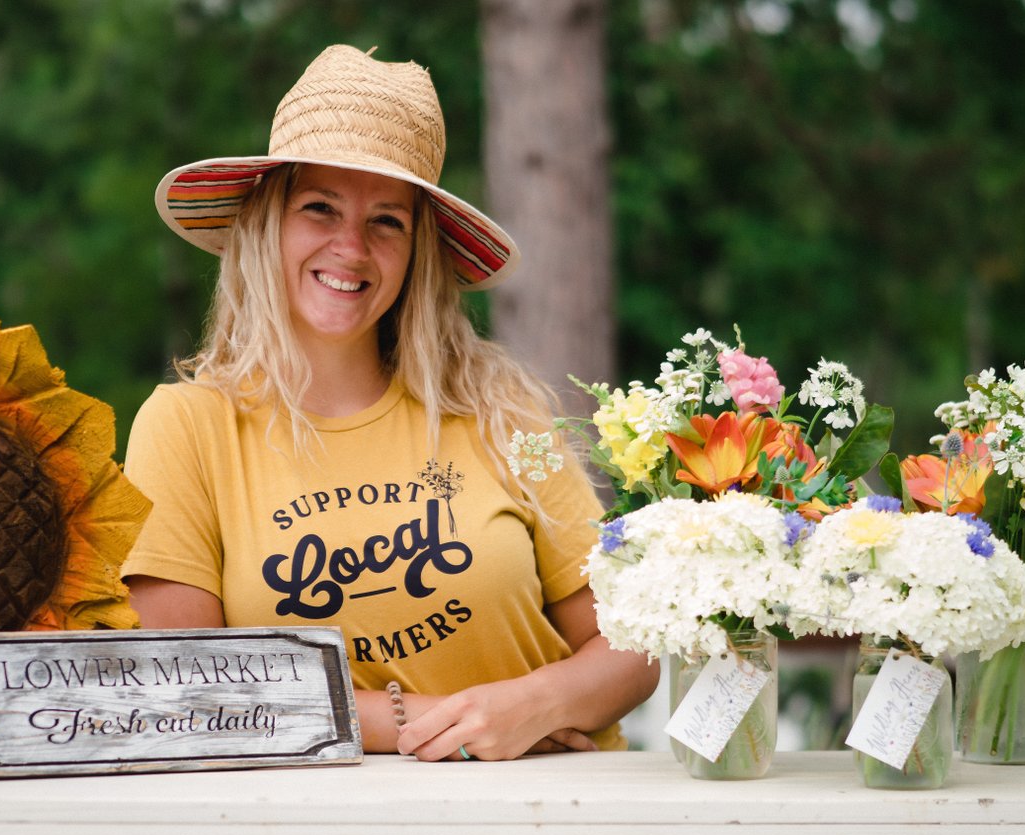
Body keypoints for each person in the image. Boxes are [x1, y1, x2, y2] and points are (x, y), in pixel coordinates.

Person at [122, 44, 658, 761]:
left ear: (417, 252)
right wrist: (437, 719)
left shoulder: (507, 416)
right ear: (268, 223)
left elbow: (634, 638)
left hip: (543, 807)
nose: (351, 247)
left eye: (387, 221)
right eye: (320, 208)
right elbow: (191, 689)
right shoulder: (186, 428)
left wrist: (534, 703)